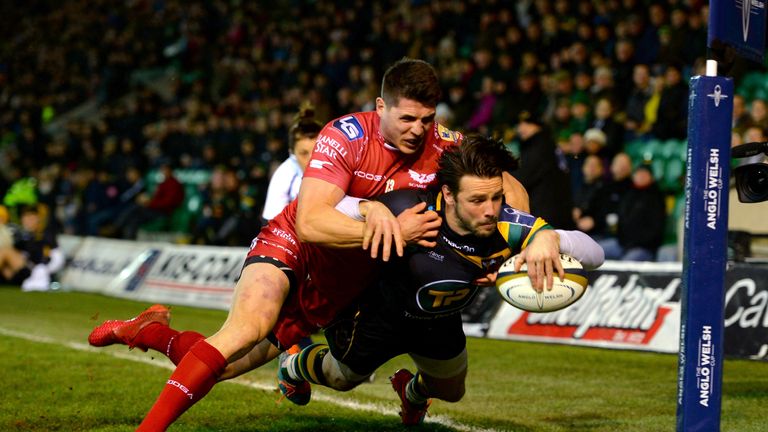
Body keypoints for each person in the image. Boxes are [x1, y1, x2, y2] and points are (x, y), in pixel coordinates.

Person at [89, 58, 531, 431]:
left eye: (427, 118)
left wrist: (515, 245)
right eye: (407, 118)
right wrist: (389, 228)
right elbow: (311, 222)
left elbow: (508, 186)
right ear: (381, 107)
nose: (418, 130)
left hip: (341, 282)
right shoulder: (345, 136)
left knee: (219, 367)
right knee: (248, 327)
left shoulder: (444, 145)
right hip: (293, 246)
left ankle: (150, 331)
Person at [275, 135, 605, 425]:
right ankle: (292, 365)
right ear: (448, 194)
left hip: (438, 321)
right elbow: (323, 210)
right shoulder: (409, 208)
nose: (490, 210)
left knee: (453, 391)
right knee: (340, 378)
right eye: (477, 200)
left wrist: (550, 239)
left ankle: (412, 392)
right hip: (377, 315)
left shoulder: (508, 224)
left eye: (496, 197)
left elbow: (595, 254)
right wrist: (367, 209)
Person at [260, 103, 324, 222]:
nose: (312, 159)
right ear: (292, 154)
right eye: (304, 153)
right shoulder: (283, 176)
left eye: (316, 151)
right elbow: (272, 226)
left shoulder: (340, 167)